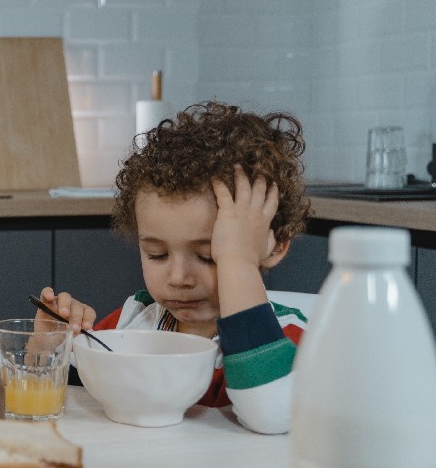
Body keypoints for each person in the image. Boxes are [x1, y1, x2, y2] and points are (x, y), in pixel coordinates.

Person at [43, 101, 311, 434]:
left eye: (212, 256)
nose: (178, 278)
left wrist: (239, 263)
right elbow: (67, 392)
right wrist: (49, 341)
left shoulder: (289, 334)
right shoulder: (136, 319)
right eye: (156, 254)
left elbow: (271, 414)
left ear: (277, 245)